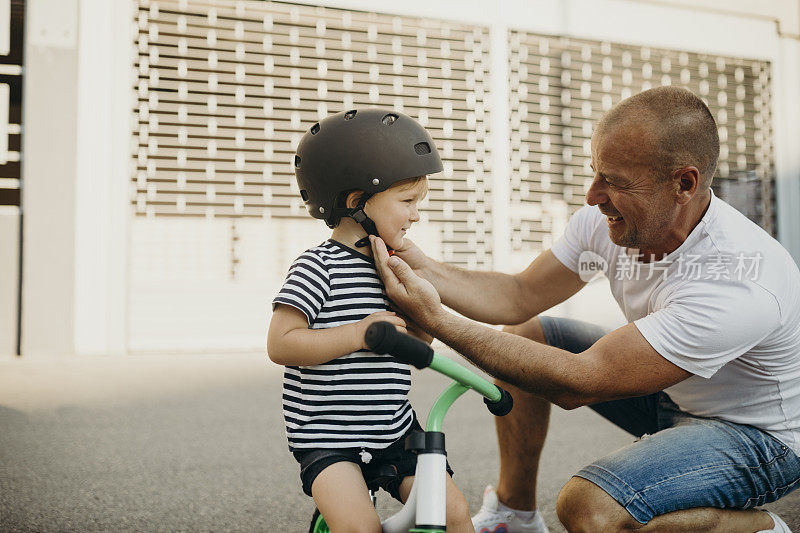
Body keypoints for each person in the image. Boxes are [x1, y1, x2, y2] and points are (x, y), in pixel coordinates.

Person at [367, 86, 800, 533]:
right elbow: (519, 295)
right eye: (595, 172)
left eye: (615, 181)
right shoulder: (612, 222)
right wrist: (417, 263)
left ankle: (761, 528)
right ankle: (515, 515)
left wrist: (438, 320)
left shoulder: (737, 278)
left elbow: (582, 382)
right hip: (674, 394)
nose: (593, 196)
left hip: (758, 438)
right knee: (526, 332)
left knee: (590, 509)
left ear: (683, 184)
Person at [267, 108, 473, 532]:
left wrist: (423, 313)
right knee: (362, 528)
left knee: (453, 516)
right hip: (327, 439)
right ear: (357, 202)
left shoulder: (393, 270)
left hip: (394, 429)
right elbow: (282, 343)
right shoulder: (316, 267)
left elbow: (419, 345)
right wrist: (358, 334)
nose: (416, 214)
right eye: (407, 202)